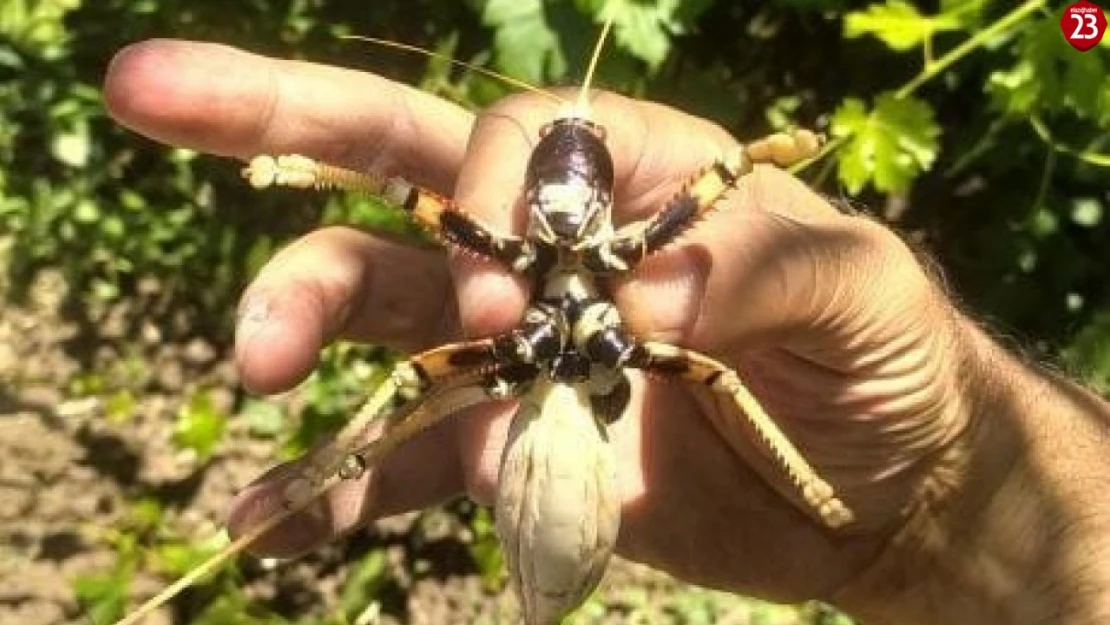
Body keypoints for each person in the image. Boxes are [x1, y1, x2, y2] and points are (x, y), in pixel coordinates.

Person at [104, 40, 1110, 625]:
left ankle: (807, 479)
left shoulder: (635, 266)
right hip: (554, 408)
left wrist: (946, 494)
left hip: (567, 422)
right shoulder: (518, 255)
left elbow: (716, 186)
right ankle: (327, 467)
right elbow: (408, 194)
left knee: (695, 365)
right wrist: (308, 171)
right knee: (415, 384)